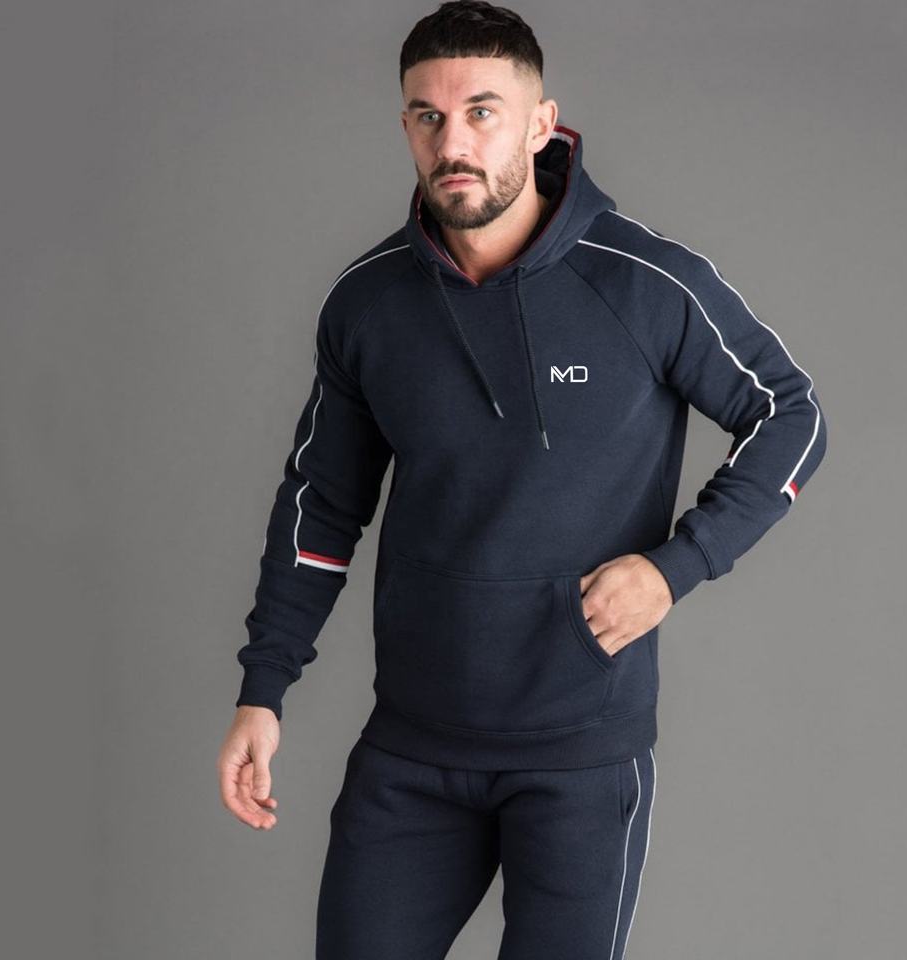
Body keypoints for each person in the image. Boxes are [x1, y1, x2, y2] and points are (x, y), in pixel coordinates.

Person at [216, 2, 828, 956]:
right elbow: (321, 506)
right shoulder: (368, 303)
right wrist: (264, 686)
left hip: (581, 757)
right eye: (428, 117)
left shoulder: (643, 282)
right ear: (405, 127)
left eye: (482, 112)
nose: (453, 143)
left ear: (542, 124)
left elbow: (792, 417)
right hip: (412, 748)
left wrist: (678, 566)